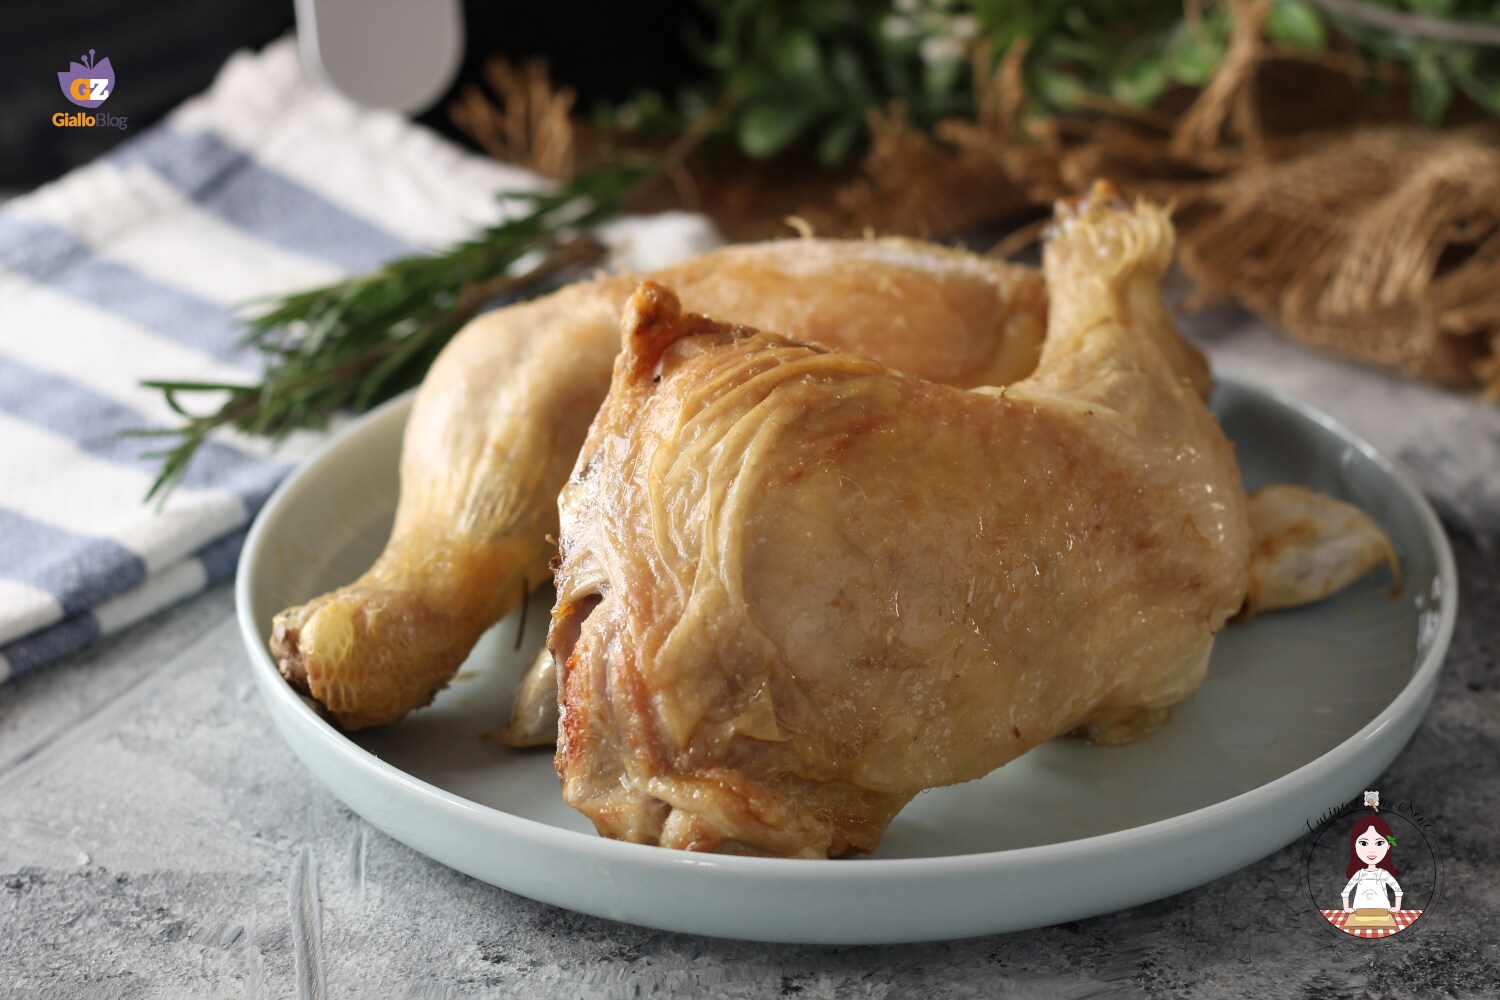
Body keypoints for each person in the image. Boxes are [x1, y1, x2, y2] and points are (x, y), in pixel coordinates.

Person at [1340, 815, 1403, 914]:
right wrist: (1347, 908)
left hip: (1382, 912)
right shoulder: (1359, 874)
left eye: (1379, 843)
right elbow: (1345, 892)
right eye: (1364, 843)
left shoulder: (1383, 874)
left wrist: (1396, 907)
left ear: (1388, 846)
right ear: (1355, 846)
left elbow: (1397, 890)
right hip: (1359, 912)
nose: (1372, 850)